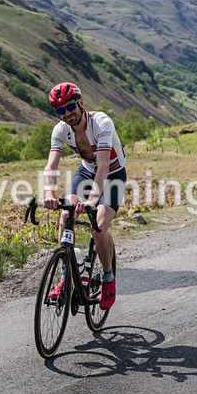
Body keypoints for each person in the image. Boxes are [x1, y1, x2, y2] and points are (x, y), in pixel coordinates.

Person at [42, 82, 127, 311]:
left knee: (99, 227)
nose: (67, 113)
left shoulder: (101, 123)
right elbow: (52, 165)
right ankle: (65, 278)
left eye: (70, 107)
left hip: (113, 174)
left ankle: (108, 279)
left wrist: (92, 200)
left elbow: (103, 167)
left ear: (80, 103)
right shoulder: (61, 130)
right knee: (65, 216)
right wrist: (49, 193)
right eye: (60, 110)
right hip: (86, 173)